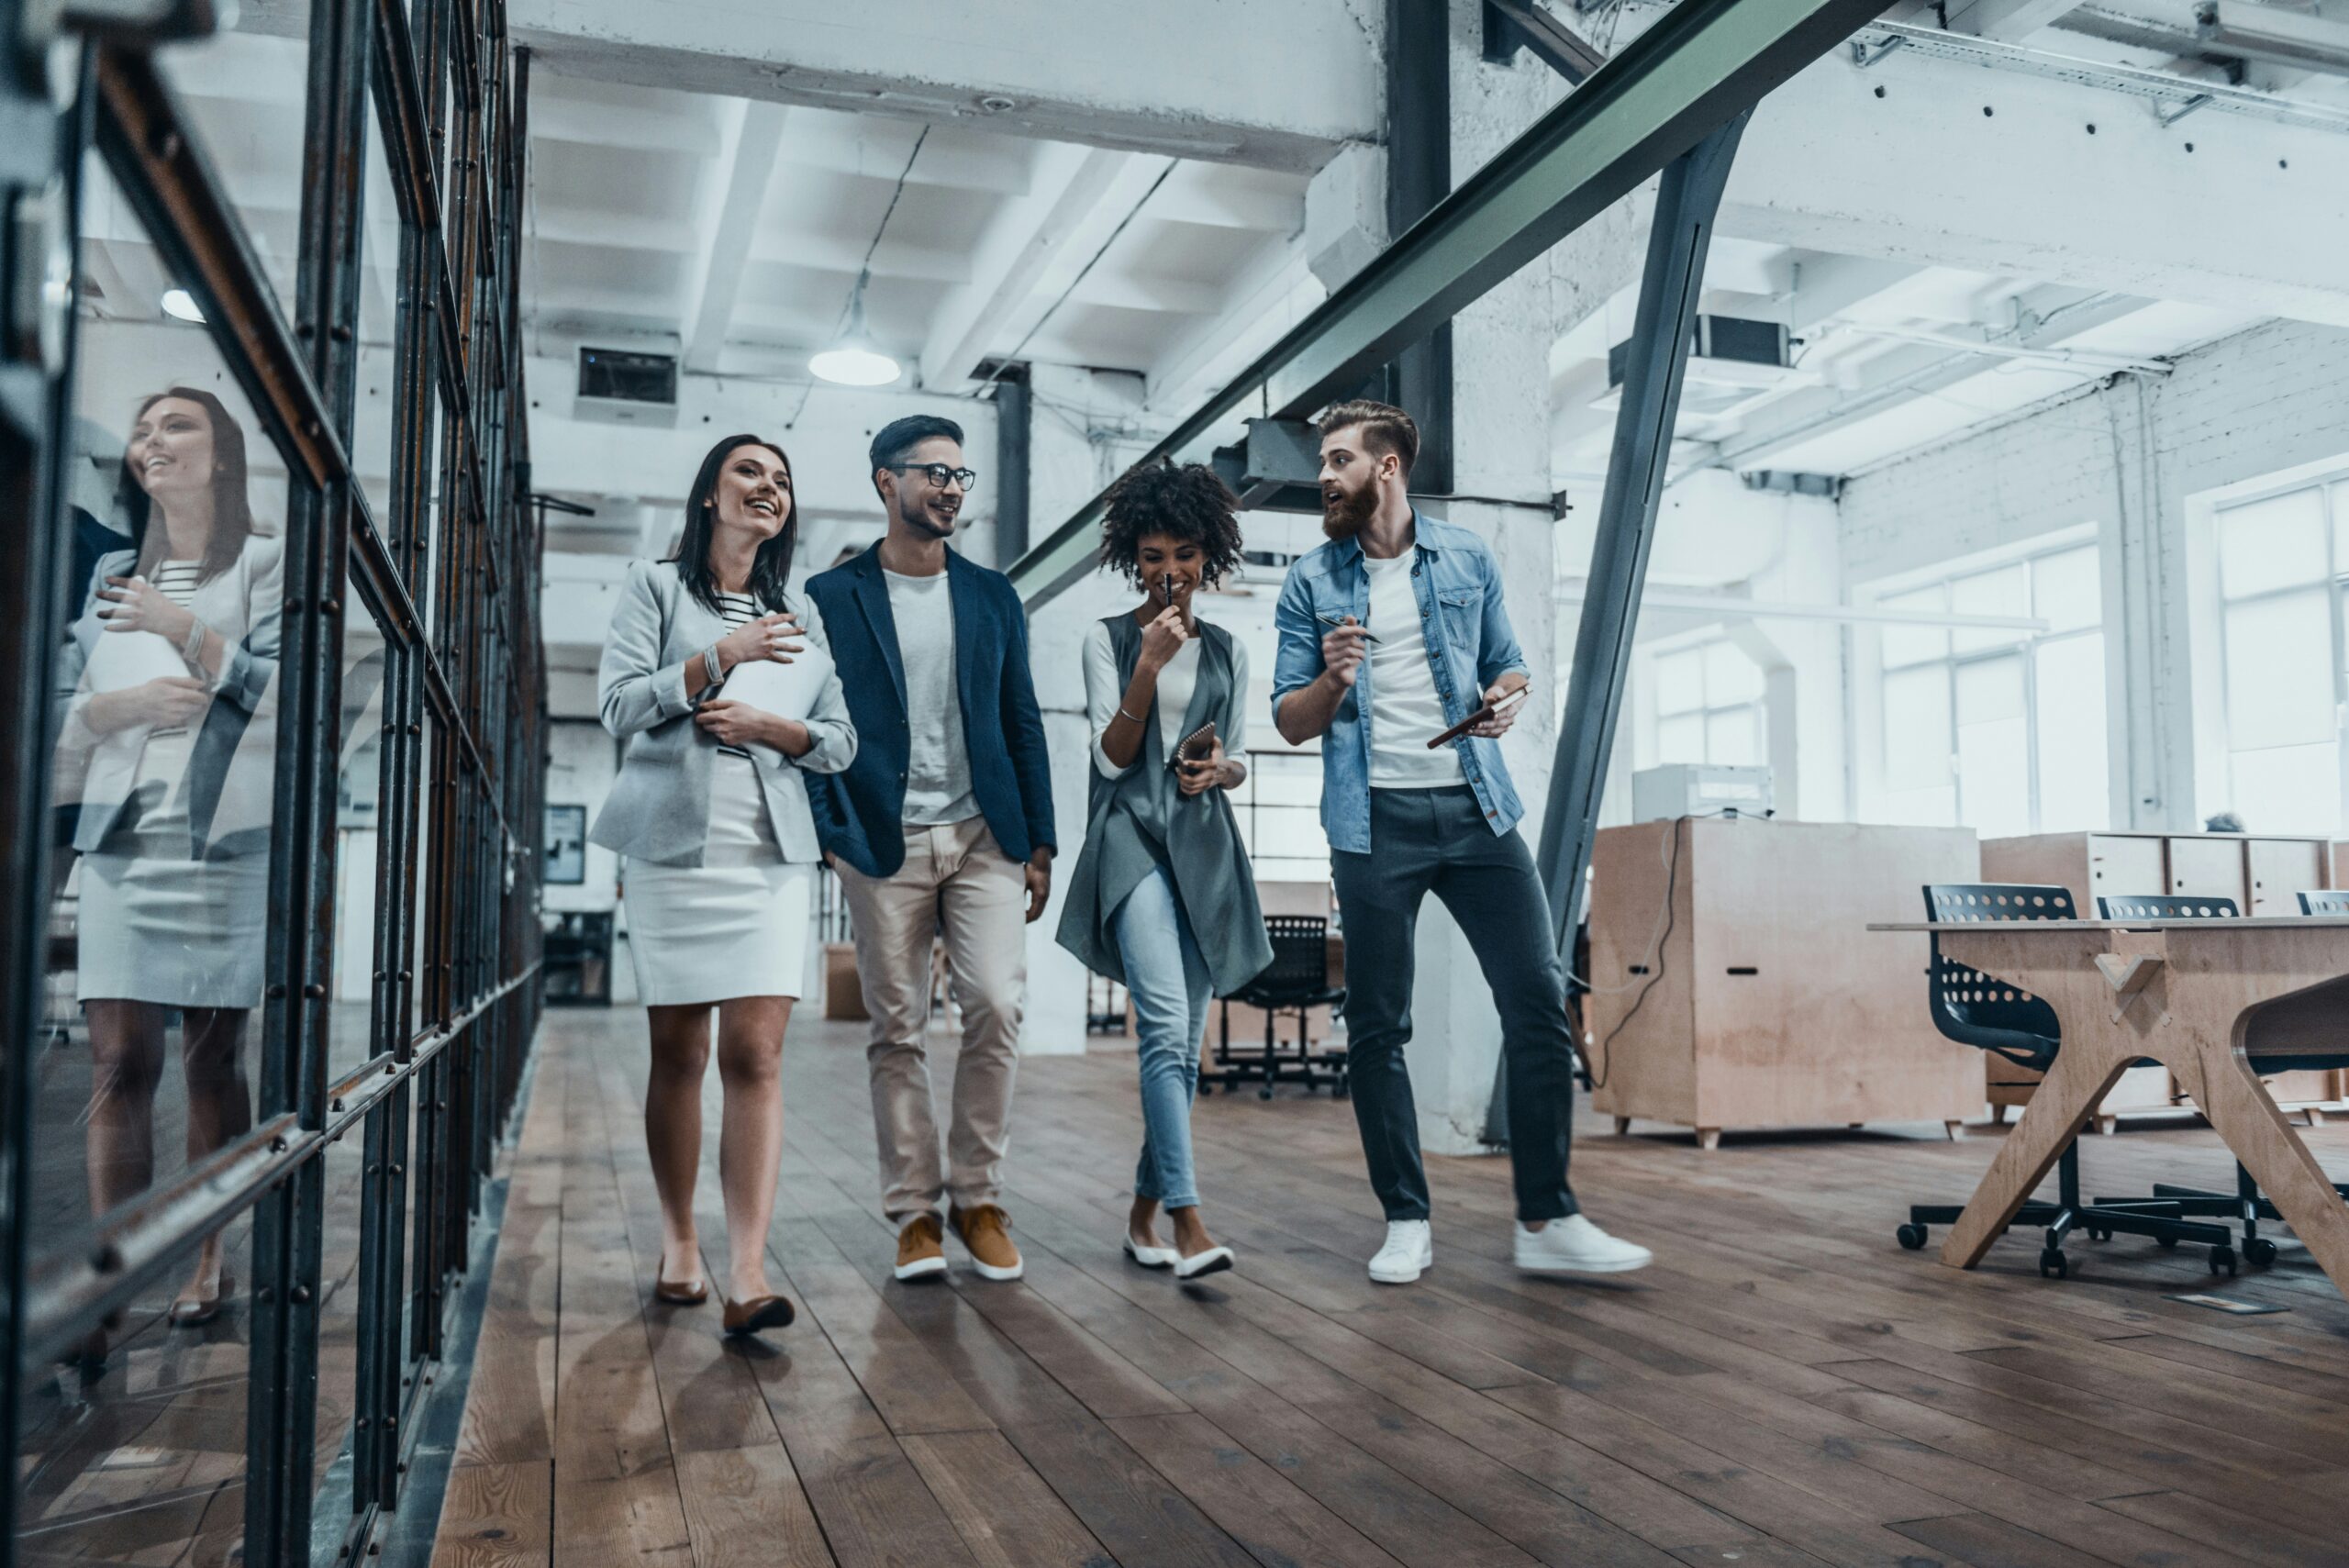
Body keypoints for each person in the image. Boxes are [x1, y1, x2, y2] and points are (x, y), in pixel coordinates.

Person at [1270, 399, 1651, 1284]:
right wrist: (1333, 678)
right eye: (1323, 462)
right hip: (1373, 824)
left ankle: (1548, 1217)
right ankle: (1406, 1215)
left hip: (1478, 811)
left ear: (1387, 467)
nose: (1323, 476)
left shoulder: (1468, 556)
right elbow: (1291, 721)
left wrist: (1509, 695)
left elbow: (1507, 660)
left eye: (1337, 460)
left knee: (1537, 997)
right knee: (1377, 1024)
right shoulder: (1309, 581)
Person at [590, 433, 856, 1337]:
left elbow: (841, 741)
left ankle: (746, 1269)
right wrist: (717, 657)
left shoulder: (804, 616)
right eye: (750, 471)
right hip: (670, 853)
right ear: (709, 491)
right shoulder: (654, 586)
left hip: (770, 860)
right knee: (681, 1055)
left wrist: (772, 727)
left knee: (758, 1057)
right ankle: (677, 1241)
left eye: (782, 479)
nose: (767, 487)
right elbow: (619, 703)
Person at [805, 415, 1055, 1284]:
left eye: (959, 476)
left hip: (986, 832)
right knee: (897, 1028)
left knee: (995, 1004)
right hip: (881, 841)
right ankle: (915, 1210)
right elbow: (810, 723)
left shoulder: (992, 595)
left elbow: (1021, 716)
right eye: (932, 473)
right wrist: (830, 834)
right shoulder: (832, 597)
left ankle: (978, 1196)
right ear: (886, 482)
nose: (950, 488)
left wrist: (1042, 839)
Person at [53, 388, 282, 1333]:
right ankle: (114, 1263)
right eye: (143, 429)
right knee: (117, 1058)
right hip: (120, 836)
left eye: (176, 424)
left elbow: (280, 691)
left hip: (222, 843)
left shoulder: (265, 563)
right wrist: (122, 707)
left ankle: (206, 1251)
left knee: (212, 1057)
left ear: (221, 455)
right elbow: (64, 707)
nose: (154, 440)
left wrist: (182, 625)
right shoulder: (110, 569)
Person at [1056, 462, 1271, 1281]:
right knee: (1164, 1027)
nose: (1169, 570)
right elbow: (1111, 761)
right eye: (1152, 555)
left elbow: (1242, 753)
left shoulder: (1229, 648)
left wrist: (1223, 770)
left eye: (1184, 553)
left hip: (1204, 845)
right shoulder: (1106, 640)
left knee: (1186, 1041)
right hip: (1131, 841)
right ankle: (1187, 1219)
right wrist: (1146, 666)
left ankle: (1142, 1213)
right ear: (1131, 558)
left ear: (1207, 554)